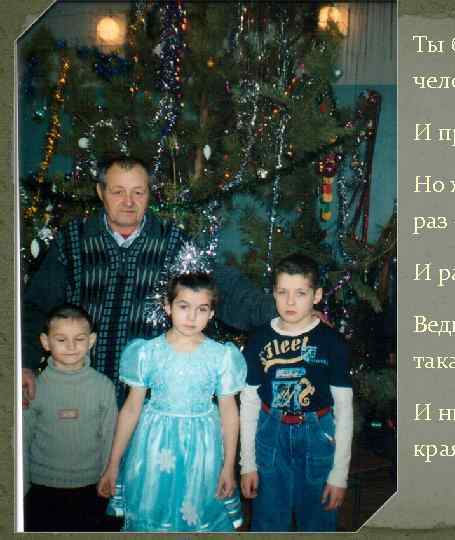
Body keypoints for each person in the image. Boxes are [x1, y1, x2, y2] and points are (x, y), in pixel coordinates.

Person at [22, 156, 276, 404]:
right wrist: (25, 364)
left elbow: (225, 290)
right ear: (101, 192)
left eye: (138, 192)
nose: (128, 202)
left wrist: (282, 309)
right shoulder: (72, 242)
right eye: (118, 192)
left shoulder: (173, 243)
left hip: (151, 401)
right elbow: (37, 306)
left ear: (148, 194)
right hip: (81, 391)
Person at [97, 272, 245, 532]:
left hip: (202, 451)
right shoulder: (146, 353)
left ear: (211, 313)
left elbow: (229, 413)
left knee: (197, 513)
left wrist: (228, 466)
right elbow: (131, 409)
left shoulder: (221, 356)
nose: (192, 317)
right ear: (168, 306)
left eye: (201, 309)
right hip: (154, 446)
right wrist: (113, 463)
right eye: (183, 306)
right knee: (154, 510)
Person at [240, 253, 353, 532]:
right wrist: (247, 464)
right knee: (268, 520)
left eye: (300, 293)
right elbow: (249, 402)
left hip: (318, 435)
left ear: (317, 295)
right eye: (283, 292)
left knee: (317, 522)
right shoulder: (258, 340)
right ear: (274, 293)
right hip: (271, 434)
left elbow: (344, 409)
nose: (290, 302)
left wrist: (339, 475)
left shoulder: (333, 342)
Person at [23, 304, 118, 532]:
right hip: (41, 486)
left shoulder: (103, 386)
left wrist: (107, 475)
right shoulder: (35, 387)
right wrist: (22, 484)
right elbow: (23, 439)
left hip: (90, 486)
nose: (71, 347)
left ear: (91, 341)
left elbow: (109, 436)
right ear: (46, 342)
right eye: (61, 340)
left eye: (79, 339)